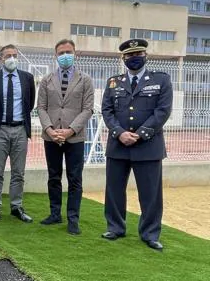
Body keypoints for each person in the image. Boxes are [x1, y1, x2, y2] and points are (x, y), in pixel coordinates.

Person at [101, 38, 172, 251]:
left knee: (150, 193)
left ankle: (150, 233)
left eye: (138, 54)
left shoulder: (161, 80)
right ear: (123, 58)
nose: (134, 58)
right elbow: (107, 111)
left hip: (148, 146)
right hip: (118, 144)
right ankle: (115, 227)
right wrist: (119, 133)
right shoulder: (114, 82)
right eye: (130, 55)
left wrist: (140, 134)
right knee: (114, 190)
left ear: (145, 55)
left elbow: (162, 111)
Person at [37, 39, 94, 235]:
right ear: (56, 55)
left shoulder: (85, 79)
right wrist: (50, 129)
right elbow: (41, 108)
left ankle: (73, 219)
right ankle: (55, 213)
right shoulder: (46, 80)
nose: (65, 56)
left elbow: (88, 109)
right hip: (51, 136)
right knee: (54, 177)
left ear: (75, 53)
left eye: (68, 52)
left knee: (74, 178)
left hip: (74, 138)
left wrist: (70, 130)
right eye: (61, 52)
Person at [0, 44, 35, 223]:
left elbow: (30, 102)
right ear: (1, 59)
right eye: (7, 56)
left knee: (18, 172)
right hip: (0, 130)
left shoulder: (27, 78)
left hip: (21, 129)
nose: (11, 58)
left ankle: (16, 206)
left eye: (14, 55)